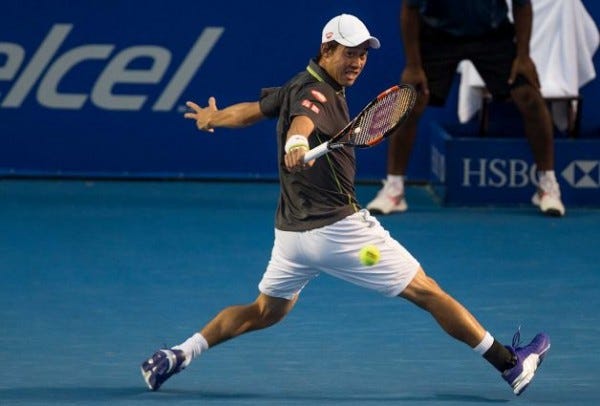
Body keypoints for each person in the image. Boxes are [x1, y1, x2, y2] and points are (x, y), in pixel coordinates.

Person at [140, 13, 550, 395]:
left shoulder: (300, 83)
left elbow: (254, 111)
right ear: (326, 50)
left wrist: (215, 118)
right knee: (428, 292)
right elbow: (303, 120)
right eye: (349, 53)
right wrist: (298, 141)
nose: (357, 62)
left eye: (363, 54)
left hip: (291, 237)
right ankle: (510, 363)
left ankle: (177, 354)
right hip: (340, 231)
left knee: (264, 311)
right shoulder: (316, 93)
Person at [366, 0, 566, 217]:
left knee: (528, 96)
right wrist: (413, 66)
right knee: (410, 100)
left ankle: (547, 185)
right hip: (438, 35)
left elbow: (522, 4)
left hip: (492, 35)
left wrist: (524, 56)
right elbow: (410, 8)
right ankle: (394, 189)